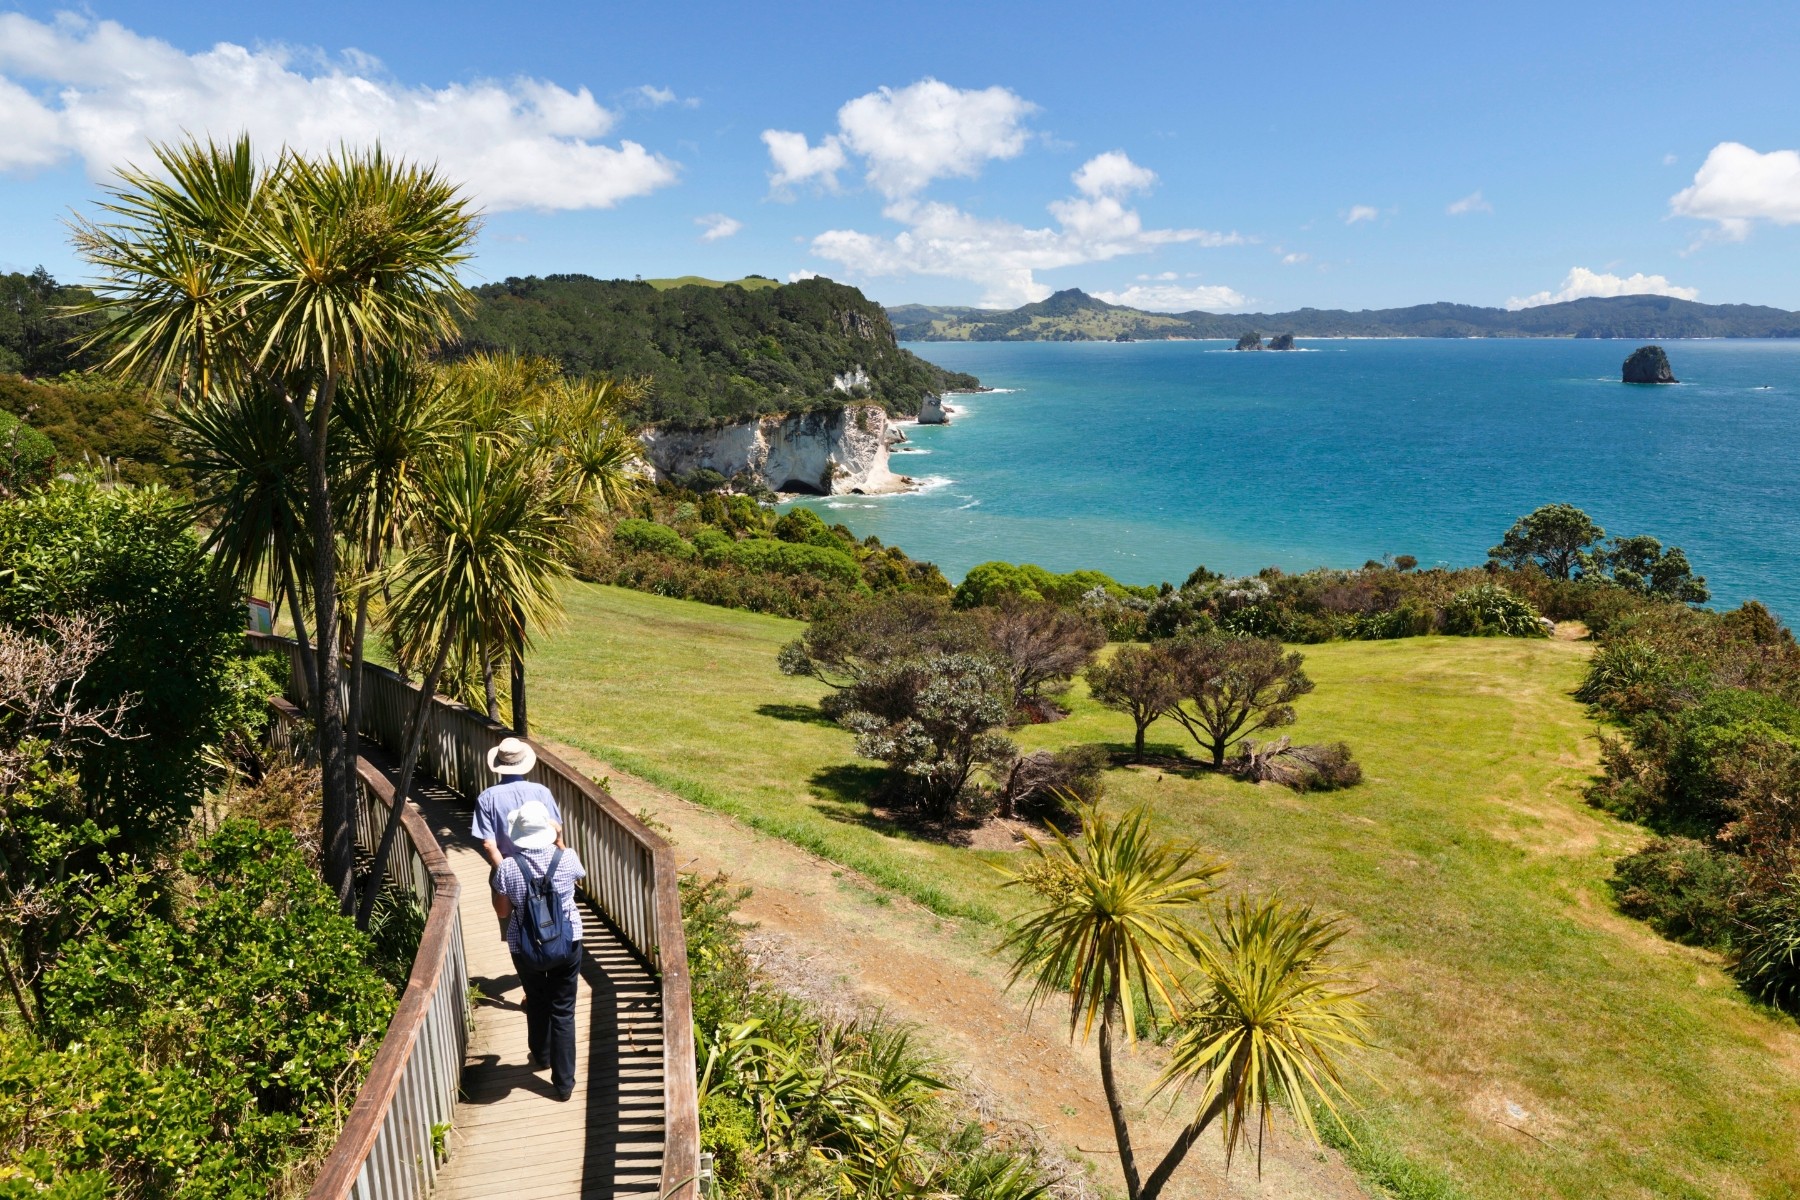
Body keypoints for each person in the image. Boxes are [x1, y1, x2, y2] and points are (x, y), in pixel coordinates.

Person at [492, 799, 587, 1101]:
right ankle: (564, 1084)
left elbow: (503, 911)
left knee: (536, 998)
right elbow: (577, 877)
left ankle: (542, 1054)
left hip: (526, 946)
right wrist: (560, 841)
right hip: (567, 943)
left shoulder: (508, 867)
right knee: (563, 1010)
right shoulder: (567, 857)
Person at [472, 736, 563, 870]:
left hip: (508, 863)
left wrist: (505, 873)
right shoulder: (542, 792)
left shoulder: (486, 798)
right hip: (545, 866)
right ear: (524, 762)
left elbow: (489, 845)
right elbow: (556, 830)